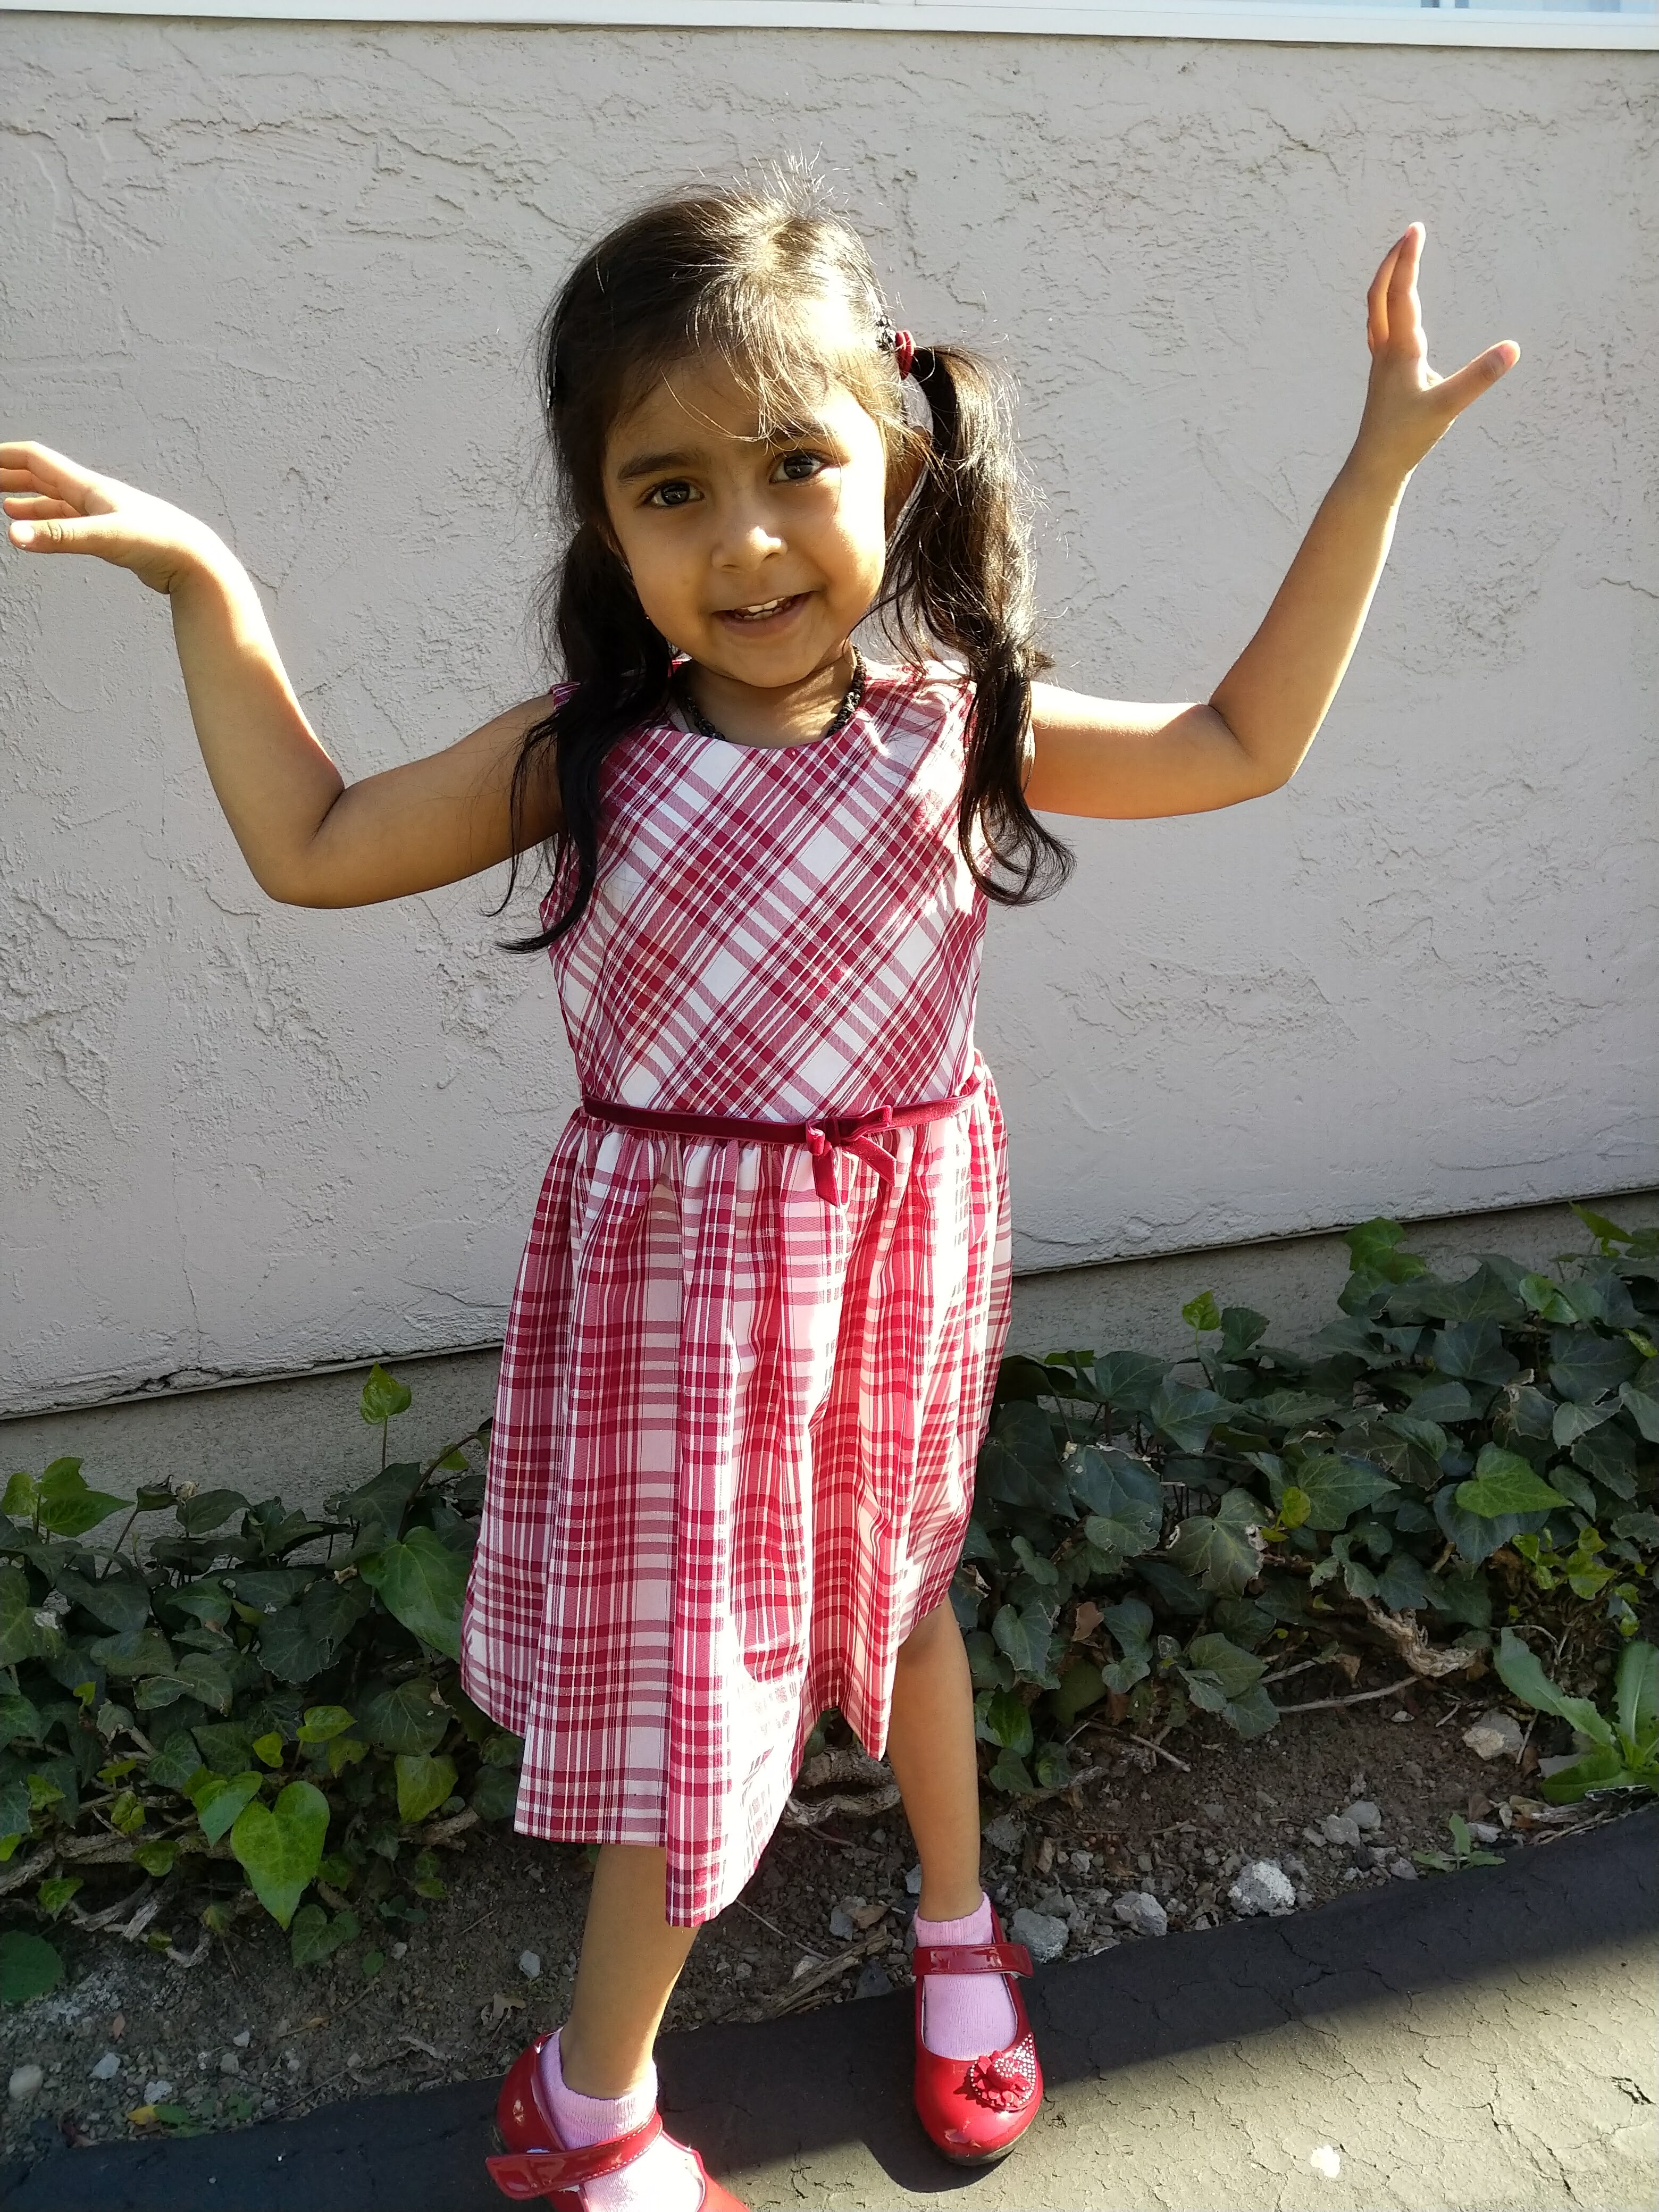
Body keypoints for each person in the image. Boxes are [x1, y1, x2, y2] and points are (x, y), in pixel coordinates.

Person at [2, 180, 1515, 2210]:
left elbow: (1241, 740)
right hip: (686, 1311)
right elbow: (317, 842)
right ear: (605, 528)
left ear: (897, 456)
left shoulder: (956, 730)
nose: (745, 541)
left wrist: (1374, 468)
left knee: (906, 1598)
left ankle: (959, 1931)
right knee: (701, 1707)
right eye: (671, 490)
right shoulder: (590, 755)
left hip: (898, 1265)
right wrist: (208, 583)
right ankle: (589, 2106)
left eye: (795, 464)